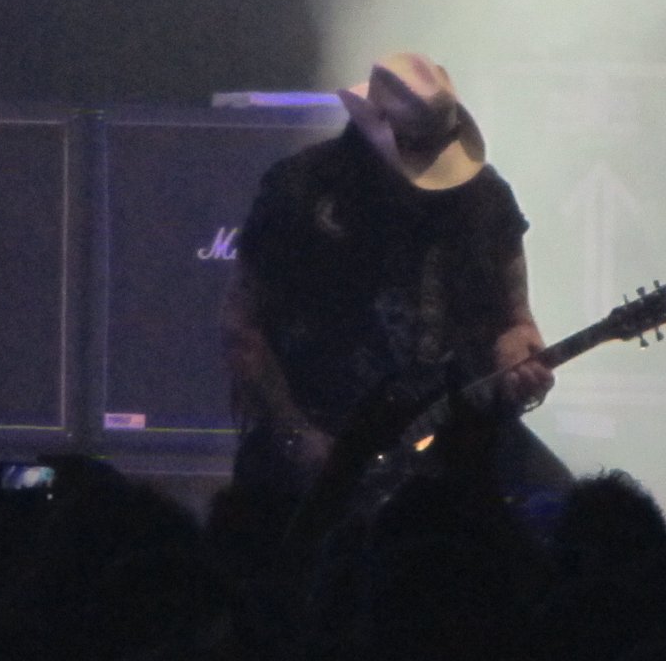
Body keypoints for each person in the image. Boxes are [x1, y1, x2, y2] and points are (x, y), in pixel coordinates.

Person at [220, 51, 573, 540]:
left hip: (454, 429)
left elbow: (516, 319)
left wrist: (518, 352)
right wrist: (297, 434)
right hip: (320, 431)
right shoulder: (300, 192)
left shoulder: (485, 200)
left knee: (566, 513)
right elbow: (243, 327)